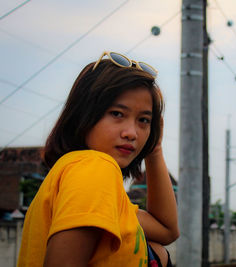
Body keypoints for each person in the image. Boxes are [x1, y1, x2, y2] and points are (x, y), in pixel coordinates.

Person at [17, 51, 179, 266]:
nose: (132, 132)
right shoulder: (95, 169)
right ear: (84, 113)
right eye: (117, 114)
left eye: (143, 120)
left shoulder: (92, 182)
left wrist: (154, 149)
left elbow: (166, 230)